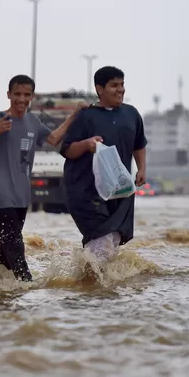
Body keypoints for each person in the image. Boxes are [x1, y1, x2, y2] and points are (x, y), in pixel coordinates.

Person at [0, 74, 85, 281]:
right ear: (8, 94)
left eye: (26, 94)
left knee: (6, 250)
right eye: (17, 94)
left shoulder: (33, 121)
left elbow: (54, 139)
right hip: (0, 194)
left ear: (32, 97)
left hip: (21, 195)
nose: (21, 99)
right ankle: (26, 285)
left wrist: (74, 115)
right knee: (15, 243)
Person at [59, 66, 147, 263]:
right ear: (100, 89)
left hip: (119, 190)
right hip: (86, 191)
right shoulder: (86, 116)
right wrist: (86, 144)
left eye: (122, 84)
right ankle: (94, 288)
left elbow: (139, 144)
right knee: (101, 239)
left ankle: (93, 287)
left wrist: (141, 168)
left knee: (113, 238)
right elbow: (67, 150)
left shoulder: (131, 114)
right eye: (114, 85)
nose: (120, 89)